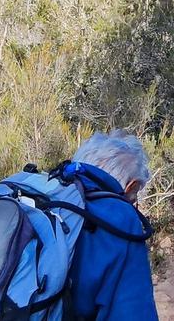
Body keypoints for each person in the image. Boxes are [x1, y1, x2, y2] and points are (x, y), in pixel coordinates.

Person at [63, 130, 158, 320]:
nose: (133, 202)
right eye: (135, 195)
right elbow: (133, 312)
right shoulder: (120, 220)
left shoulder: (43, 199)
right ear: (131, 186)